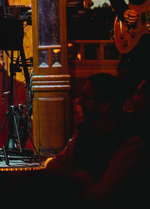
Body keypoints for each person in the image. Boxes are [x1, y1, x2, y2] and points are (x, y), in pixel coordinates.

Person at [44, 73, 144, 205]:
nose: (79, 101)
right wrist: (74, 179)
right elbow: (54, 164)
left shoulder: (130, 141)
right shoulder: (86, 130)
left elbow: (103, 194)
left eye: (85, 97)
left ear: (104, 105)